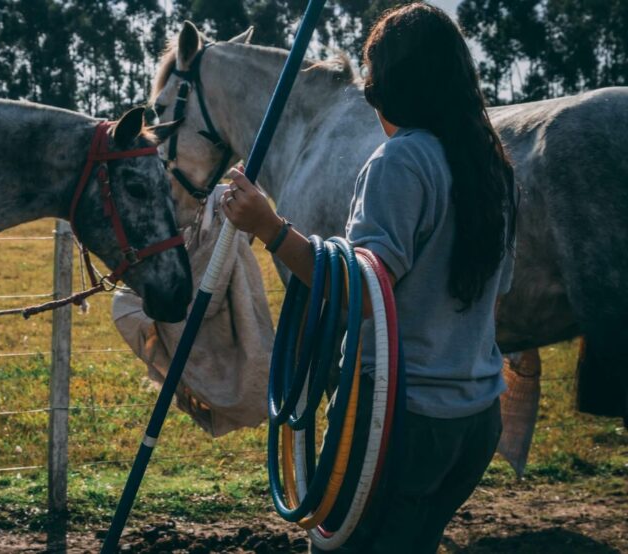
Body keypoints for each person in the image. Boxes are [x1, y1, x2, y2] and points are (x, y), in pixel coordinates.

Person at [221, 3, 517, 553]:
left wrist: (268, 225)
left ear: (390, 88)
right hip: (475, 420)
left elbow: (359, 294)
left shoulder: (401, 162)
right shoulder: (492, 167)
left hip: (400, 423)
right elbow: (494, 298)